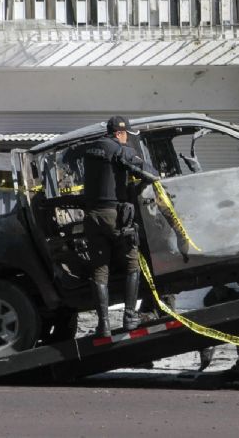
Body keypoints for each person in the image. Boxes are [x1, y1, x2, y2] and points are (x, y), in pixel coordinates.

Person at [82, 115, 157, 337]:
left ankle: (103, 324)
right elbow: (148, 172)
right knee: (133, 265)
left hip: (92, 218)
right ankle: (129, 317)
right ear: (119, 133)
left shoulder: (91, 150)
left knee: (99, 270)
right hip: (114, 216)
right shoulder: (119, 150)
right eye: (126, 135)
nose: (126, 139)